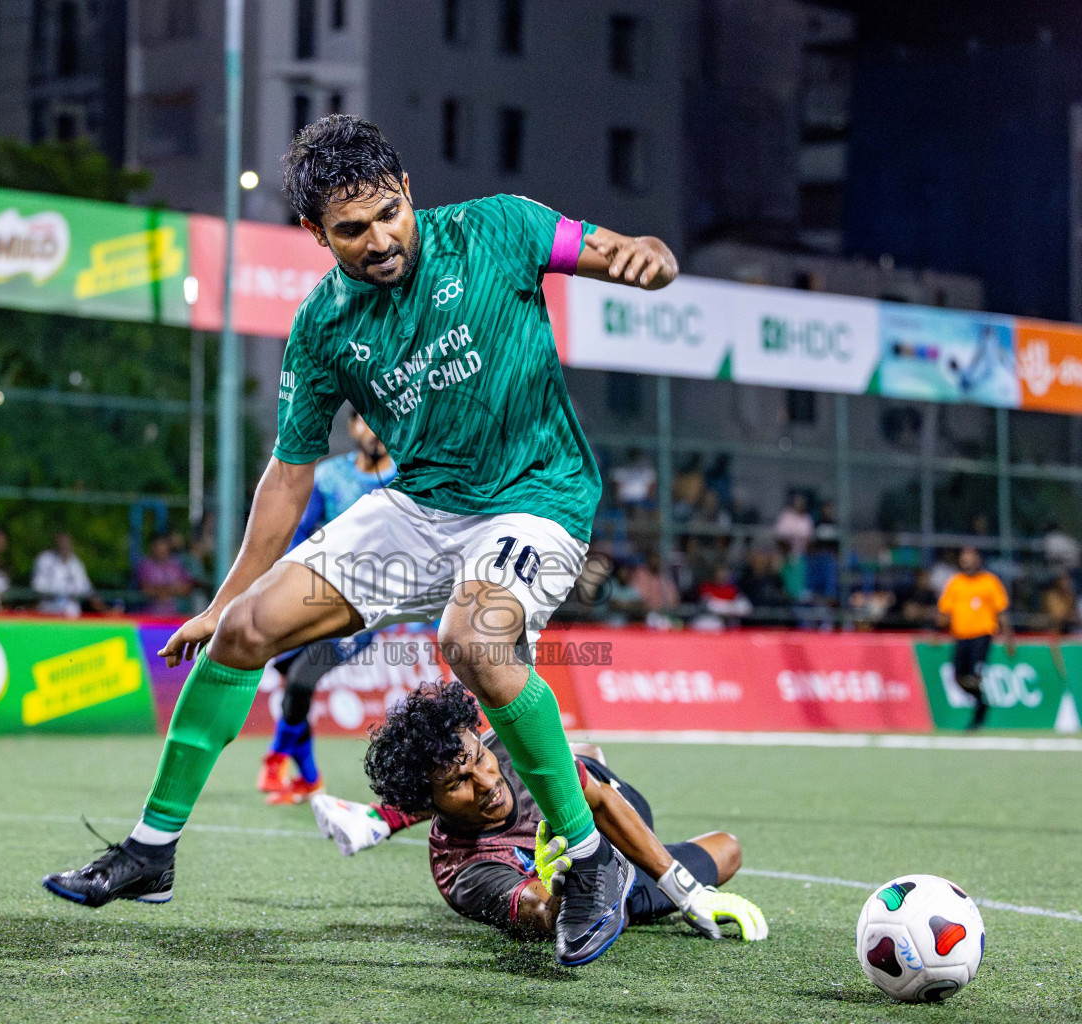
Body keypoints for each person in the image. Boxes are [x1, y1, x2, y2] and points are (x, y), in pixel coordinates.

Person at [41, 113, 679, 968]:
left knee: (473, 639)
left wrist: (649, 255)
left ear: (408, 191)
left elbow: (617, 252)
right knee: (244, 633)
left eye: (388, 213)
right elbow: (289, 474)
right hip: (419, 509)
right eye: (351, 229)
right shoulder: (321, 329)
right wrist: (225, 598)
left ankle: (589, 861)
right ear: (315, 233)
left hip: (540, 498)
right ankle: (151, 851)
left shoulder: (498, 226)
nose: (379, 239)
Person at [311, 682, 767, 947]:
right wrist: (567, 886)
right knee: (725, 850)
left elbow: (603, 801)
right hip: (616, 879)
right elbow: (544, 913)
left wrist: (686, 894)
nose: (487, 783)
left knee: (579, 756)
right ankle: (385, 816)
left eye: (478, 760)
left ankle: (379, 819)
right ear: (428, 803)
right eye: (458, 784)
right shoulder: (464, 873)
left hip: (614, 804)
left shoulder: (507, 750)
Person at [260, 410, 397, 806]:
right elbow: (300, 534)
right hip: (320, 600)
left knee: (303, 679)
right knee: (291, 679)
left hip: (366, 613)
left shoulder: (409, 479)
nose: (374, 429)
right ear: (352, 427)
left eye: (381, 419)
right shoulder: (330, 476)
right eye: (365, 420)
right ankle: (309, 780)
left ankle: (276, 759)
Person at [937, 546, 1015, 730]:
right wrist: (937, 628)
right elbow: (944, 610)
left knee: (974, 675)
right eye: (964, 559)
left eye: (970, 559)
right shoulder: (955, 582)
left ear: (978, 560)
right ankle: (982, 701)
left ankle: (979, 713)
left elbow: (1001, 611)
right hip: (961, 636)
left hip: (982, 635)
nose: (967, 563)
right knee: (958, 677)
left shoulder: (989, 582)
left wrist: (1009, 637)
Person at [32, 531, 94, 618]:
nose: (64, 546)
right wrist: (60, 590)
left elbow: (85, 587)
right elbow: (37, 585)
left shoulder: (76, 563)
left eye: (67, 543)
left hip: (72, 614)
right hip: (49, 611)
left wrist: (73, 592)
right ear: (56, 544)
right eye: (62, 543)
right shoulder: (45, 559)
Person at [135, 534, 192, 616]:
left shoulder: (176, 564)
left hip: (175, 616)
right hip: (149, 616)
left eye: (162, 545)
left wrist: (162, 590)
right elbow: (145, 589)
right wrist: (172, 589)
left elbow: (187, 587)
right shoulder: (145, 565)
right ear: (151, 547)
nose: (160, 549)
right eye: (157, 546)